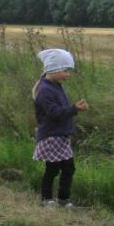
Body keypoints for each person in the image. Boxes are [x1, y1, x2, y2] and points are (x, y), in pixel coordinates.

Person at [31, 48, 89, 208]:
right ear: (53, 69)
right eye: (65, 70)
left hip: (61, 136)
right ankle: (46, 199)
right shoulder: (45, 90)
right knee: (53, 169)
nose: (68, 74)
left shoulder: (55, 86)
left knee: (68, 168)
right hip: (51, 136)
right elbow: (54, 113)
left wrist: (73, 109)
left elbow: (59, 111)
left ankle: (63, 200)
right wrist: (74, 109)